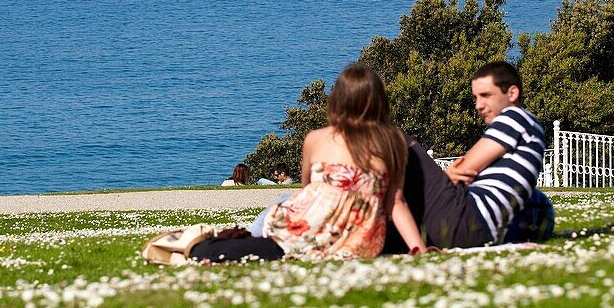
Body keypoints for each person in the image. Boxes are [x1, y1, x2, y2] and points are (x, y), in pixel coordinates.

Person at [190, 65, 426, 262]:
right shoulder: (392, 141)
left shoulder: (316, 139)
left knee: (277, 207)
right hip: (361, 240)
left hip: (309, 228)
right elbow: (396, 201)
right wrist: (418, 248)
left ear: (338, 101)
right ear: (379, 102)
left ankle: (229, 240)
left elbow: (306, 191)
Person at [383, 61, 548, 251]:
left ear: (512, 93)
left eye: (485, 95)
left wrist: (447, 176)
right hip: (474, 231)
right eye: (476, 98)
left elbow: (466, 167)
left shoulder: (515, 117)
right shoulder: (529, 126)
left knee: (392, 135)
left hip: (465, 218)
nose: (478, 105)